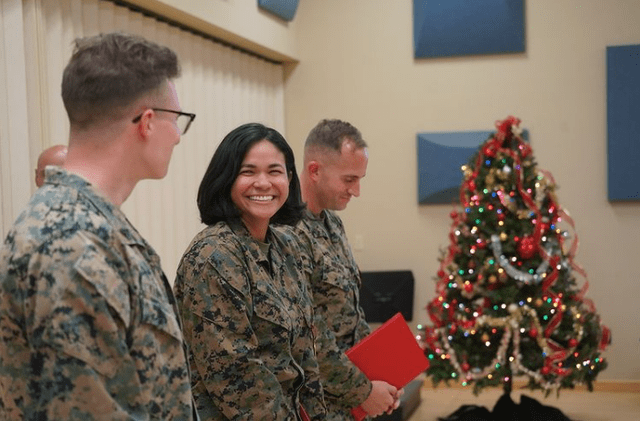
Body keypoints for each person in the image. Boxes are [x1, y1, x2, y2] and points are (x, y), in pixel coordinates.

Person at [0, 32, 198, 420]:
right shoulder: (72, 243)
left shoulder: (90, 225)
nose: (177, 137)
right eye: (177, 121)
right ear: (147, 122)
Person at [174, 123, 326, 420]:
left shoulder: (287, 245)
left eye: (274, 171)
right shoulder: (214, 256)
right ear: (226, 179)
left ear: (289, 178)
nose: (263, 183)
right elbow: (236, 378)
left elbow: (306, 355)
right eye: (248, 172)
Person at [294, 119, 401, 420]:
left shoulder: (332, 223)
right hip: (316, 402)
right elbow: (306, 335)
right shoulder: (286, 232)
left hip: (348, 398)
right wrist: (364, 391)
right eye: (349, 179)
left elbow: (350, 312)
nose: (356, 191)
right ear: (315, 171)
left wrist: (383, 377)